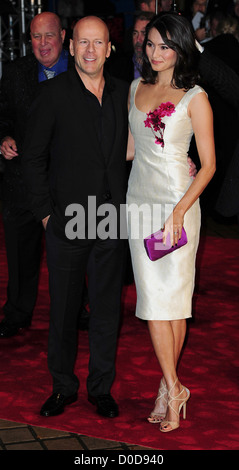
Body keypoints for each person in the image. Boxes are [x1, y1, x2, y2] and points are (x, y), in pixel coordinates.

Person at [22, 16, 129, 418]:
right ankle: (63, 386)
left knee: (106, 310)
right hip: (65, 222)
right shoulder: (52, 94)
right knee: (64, 312)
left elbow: (135, 150)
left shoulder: (122, 93)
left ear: (108, 48)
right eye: (82, 43)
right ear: (71, 47)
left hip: (110, 220)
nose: (89, 51)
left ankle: (100, 387)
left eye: (97, 43)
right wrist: (46, 216)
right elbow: (32, 158)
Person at [126, 12, 216, 432]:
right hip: (139, 205)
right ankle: (173, 385)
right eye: (150, 44)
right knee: (153, 303)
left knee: (173, 302)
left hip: (178, 207)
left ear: (180, 48)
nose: (156, 53)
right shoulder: (134, 88)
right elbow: (129, 150)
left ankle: (171, 388)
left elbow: (209, 165)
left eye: (165, 45)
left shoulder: (195, 96)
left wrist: (180, 210)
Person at [0, 11, 89, 338]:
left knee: (72, 249)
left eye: (48, 35)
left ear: (63, 36)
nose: (42, 44)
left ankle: (77, 309)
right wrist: (4, 138)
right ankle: (17, 313)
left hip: (69, 183)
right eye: (35, 37)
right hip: (21, 183)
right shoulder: (15, 73)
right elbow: (3, 116)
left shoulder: (85, 70)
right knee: (20, 254)